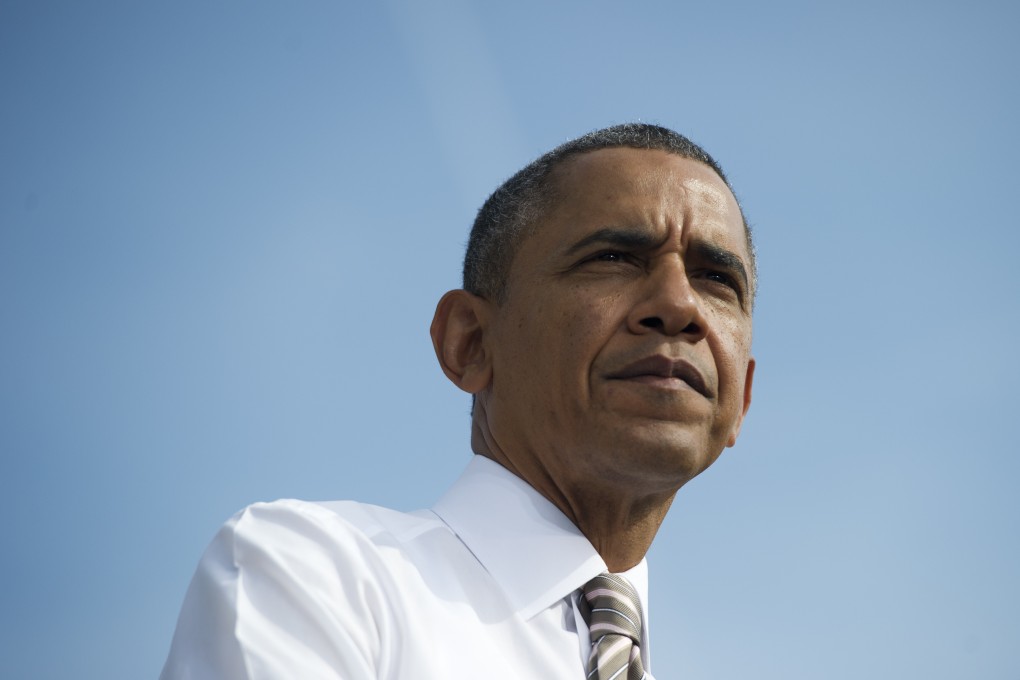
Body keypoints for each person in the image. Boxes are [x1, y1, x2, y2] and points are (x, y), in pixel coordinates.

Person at [160, 123, 756, 679]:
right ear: (469, 342)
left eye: (716, 280)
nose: (678, 306)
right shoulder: (315, 576)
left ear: (743, 397)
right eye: (614, 258)